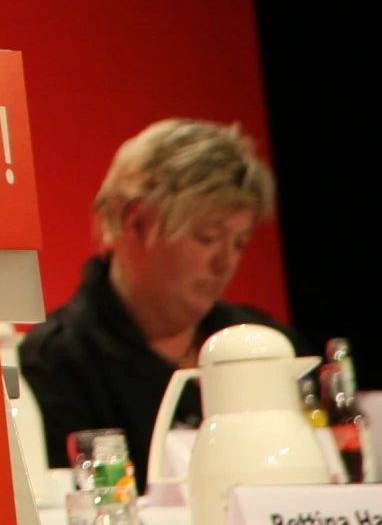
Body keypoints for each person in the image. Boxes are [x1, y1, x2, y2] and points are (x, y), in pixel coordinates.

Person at [19, 118, 285, 480]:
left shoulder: (262, 345)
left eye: (239, 242)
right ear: (137, 223)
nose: (226, 262)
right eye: (208, 237)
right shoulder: (54, 366)